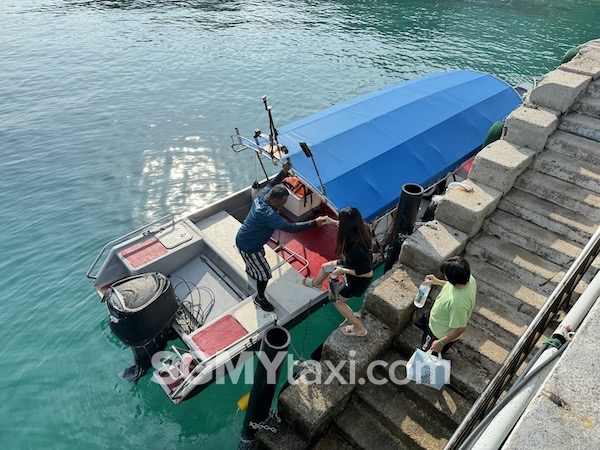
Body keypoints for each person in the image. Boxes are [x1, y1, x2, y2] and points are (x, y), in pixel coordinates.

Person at [236, 160, 328, 312]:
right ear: (274, 200)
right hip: (249, 246)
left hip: (245, 238)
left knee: (256, 261)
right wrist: (315, 223)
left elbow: (273, 183)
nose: (283, 205)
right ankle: (260, 298)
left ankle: (252, 271)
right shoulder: (268, 214)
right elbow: (290, 228)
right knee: (265, 274)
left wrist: (284, 171)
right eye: (282, 203)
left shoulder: (263, 195)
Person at [303, 207, 373, 337]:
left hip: (356, 279)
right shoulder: (362, 228)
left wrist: (343, 270)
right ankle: (317, 284)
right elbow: (345, 225)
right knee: (325, 267)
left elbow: (368, 273)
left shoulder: (357, 249)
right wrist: (331, 221)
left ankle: (359, 329)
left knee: (337, 301)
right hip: (348, 264)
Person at [416, 256, 477, 354]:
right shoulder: (469, 279)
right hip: (437, 319)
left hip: (438, 334)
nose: (444, 276)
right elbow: (450, 285)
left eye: (445, 275)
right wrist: (437, 281)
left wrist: (441, 343)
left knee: (426, 354)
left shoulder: (458, 304)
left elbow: (460, 328)